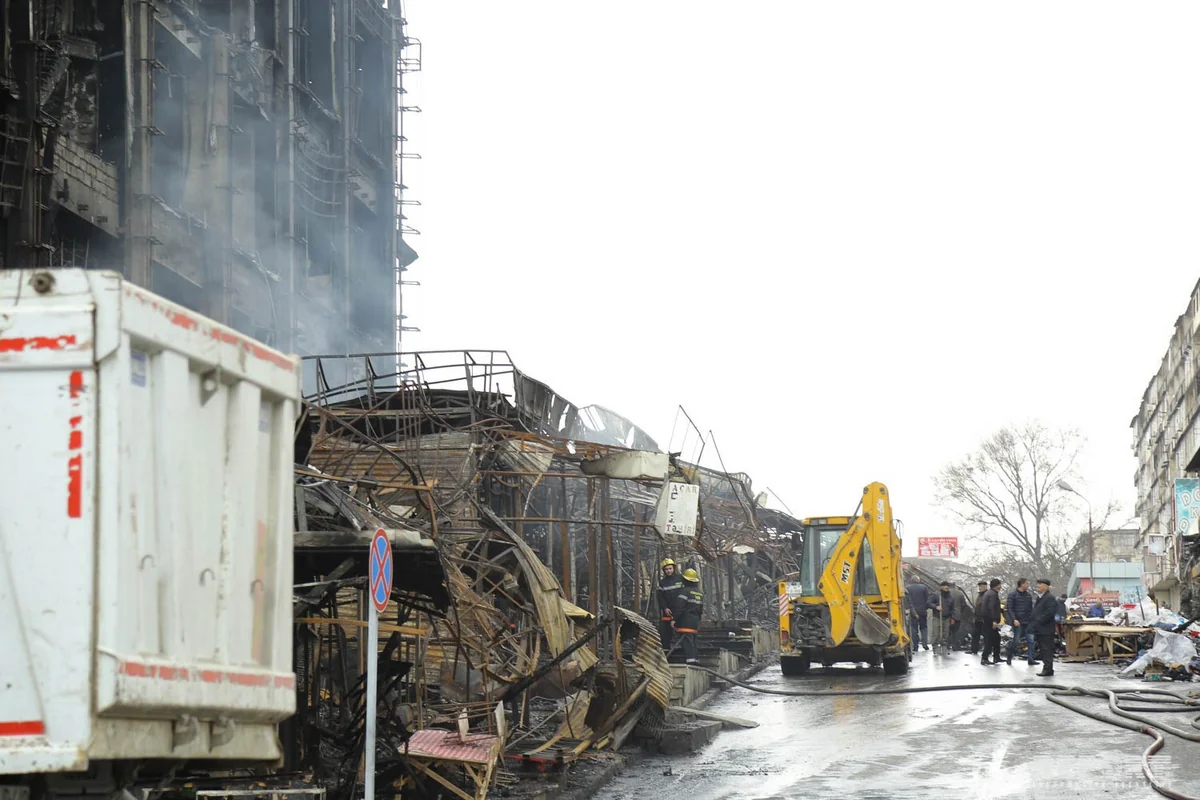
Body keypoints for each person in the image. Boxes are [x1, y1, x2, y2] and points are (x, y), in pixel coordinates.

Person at [1029, 578, 1058, 677]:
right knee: (1043, 649)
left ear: (1045, 586)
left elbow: (1049, 612)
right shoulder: (1040, 597)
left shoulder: (1049, 598)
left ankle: (1048, 669)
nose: (1038, 587)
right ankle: (1047, 667)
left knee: (1047, 649)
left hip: (1046, 629)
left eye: (1040, 585)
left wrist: (1039, 621)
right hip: (1040, 628)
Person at [675, 568, 704, 664]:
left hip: (685, 621)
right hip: (695, 621)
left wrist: (674, 619)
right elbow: (700, 610)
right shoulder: (699, 593)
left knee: (687, 642)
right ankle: (696, 659)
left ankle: (690, 661)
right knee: (693, 641)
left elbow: (679, 607)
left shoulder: (684, 592)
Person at [1005, 578, 1035, 665]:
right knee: (1017, 640)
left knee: (1031, 640)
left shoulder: (1028, 596)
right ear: (1021, 584)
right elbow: (1010, 608)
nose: (1028, 585)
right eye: (1026, 583)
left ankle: (1031, 659)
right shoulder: (1012, 595)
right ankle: (1009, 654)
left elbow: (1030, 609)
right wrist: (1014, 619)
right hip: (1018, 622)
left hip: (1027, 621)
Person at [657, 558, 684, 652]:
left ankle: (682, 650)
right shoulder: (663, 582)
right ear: (664, 571)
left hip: (680, 609)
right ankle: (666, 650)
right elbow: (660, 597)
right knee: (666, 632)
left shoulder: (681, 578)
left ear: (674, 568)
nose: (668, 571)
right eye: (666, 569)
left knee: (681, 629)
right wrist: (665, 608)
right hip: (668, 611)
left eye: (670, 568)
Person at [906, 579, 934, 651]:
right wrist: (926, 608)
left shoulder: (908, 588)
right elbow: (927, 599)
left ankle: (915, 646)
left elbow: (907, 601)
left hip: (913, 612)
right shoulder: (924, 587)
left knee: (914, 629)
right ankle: (925, 645)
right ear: (918, 580)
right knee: (924, 628)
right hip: (922, 611)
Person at [980, 578, 1003, 666]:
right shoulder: (993, 594)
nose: (1000, 587)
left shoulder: (988, 593)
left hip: (987, 619)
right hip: (990, 620)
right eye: (1000, 585)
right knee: (989, 640)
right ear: (997, 585)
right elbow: (991, 607)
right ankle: (984, 658)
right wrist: (994, 620)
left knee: (996, 638)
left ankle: (996, 656)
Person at [936, 582, 958, 650]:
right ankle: (936, 646)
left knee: (946, 633)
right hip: (937, 617)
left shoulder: (951, 597)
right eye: (945, 587)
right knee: (937, 633)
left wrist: (952, 618)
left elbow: (953, 608)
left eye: (947, 587)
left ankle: (944, 646)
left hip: (947, 617)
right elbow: (929, 603)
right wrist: (936, 607)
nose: (946, 588)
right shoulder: (937, 595)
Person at [969, 580, 988, 654]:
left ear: (985, 587)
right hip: (978, 618)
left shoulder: (987, 595)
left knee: (986, 635)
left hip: (984, 619)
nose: (980, 588)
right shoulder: (979, 595)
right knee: (975, 634)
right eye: (979, 586)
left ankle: (987, 651)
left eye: (982, 586)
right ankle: (974, 649)